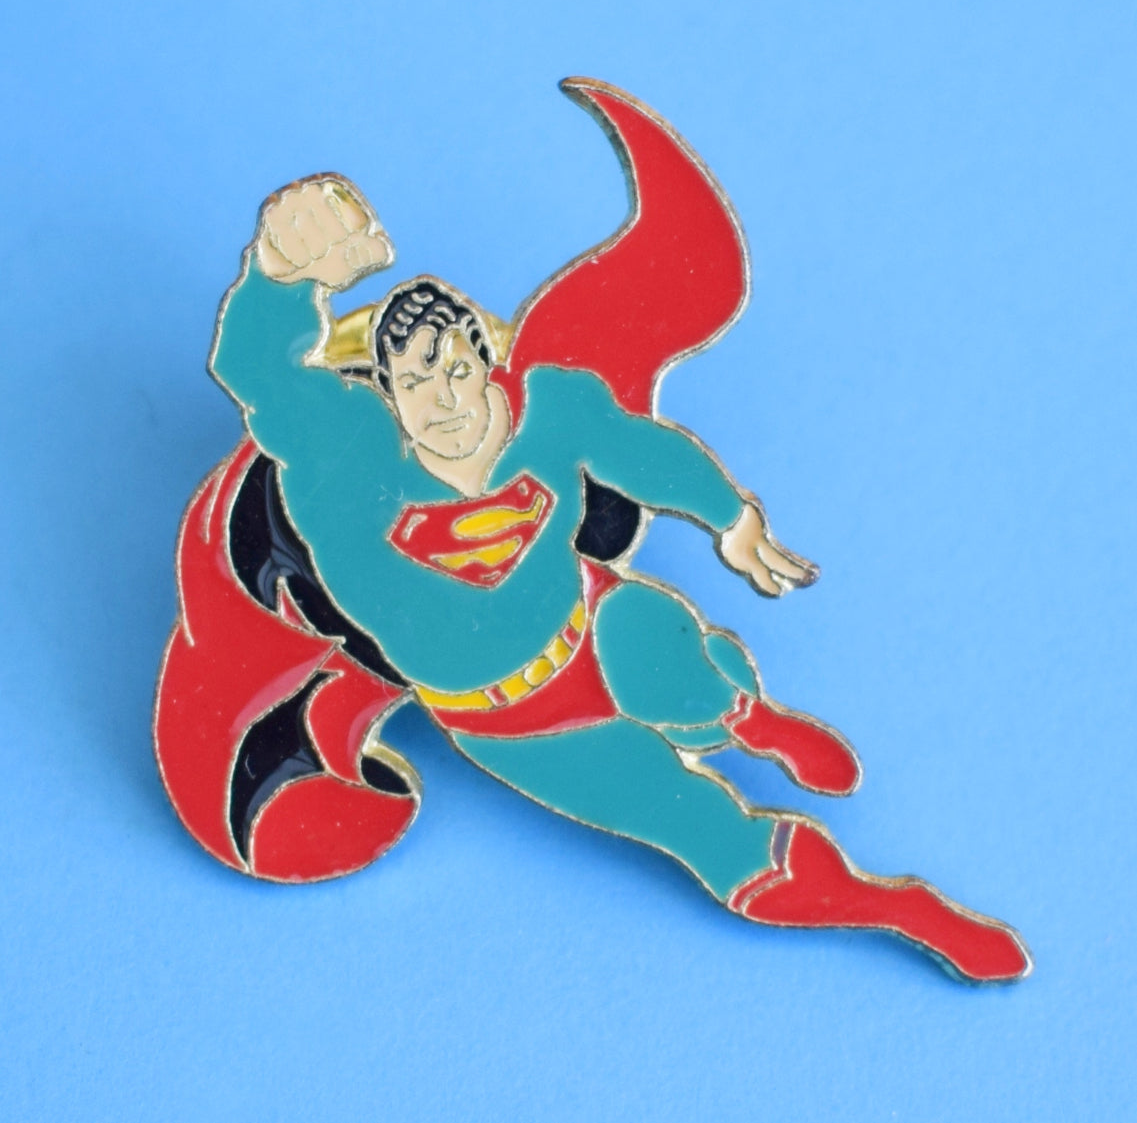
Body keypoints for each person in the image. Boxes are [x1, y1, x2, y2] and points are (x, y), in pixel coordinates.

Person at [203, 173, 1031, 983]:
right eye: (415, 382)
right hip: (510, 723)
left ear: (486, 361)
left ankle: (749, 718)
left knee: (683, 671)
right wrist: (278, 272)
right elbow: (258, 372)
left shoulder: (547, 411)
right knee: (705, 831)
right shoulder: (344, 468)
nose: (444, 400)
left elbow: (637, 449)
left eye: (455, 368)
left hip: (599, 629)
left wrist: (730, 515)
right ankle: (897, 908)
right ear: (383, 393)